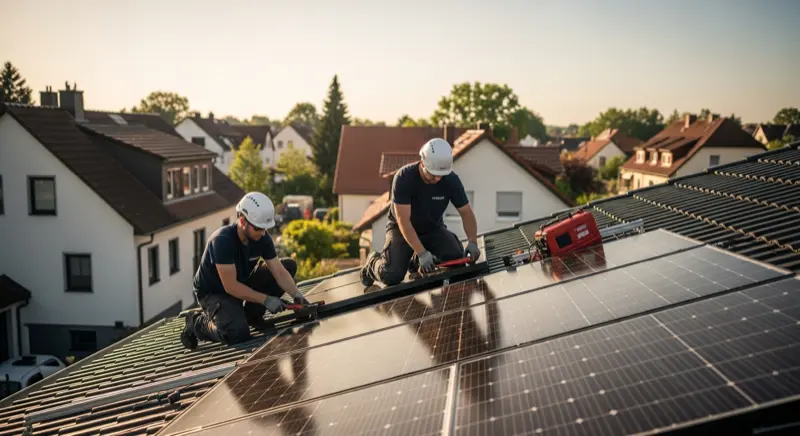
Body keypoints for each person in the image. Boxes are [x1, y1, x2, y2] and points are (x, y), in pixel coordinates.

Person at [180, 192, 310, 350]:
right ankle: (196, 322)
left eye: (265, 228)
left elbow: (279, 272)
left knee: (288, 265)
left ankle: (252, 316)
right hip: (214, 293)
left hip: (240, 282)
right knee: (236, 333)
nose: (263, 233)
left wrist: (297, 295)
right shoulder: (222, 241)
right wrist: (266, 300)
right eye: (258, 228)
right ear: (242, 221)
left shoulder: (262, 238)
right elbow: (230, 287)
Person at [360, 138, 481, 287]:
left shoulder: (451, 180)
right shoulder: (404, 178)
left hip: (432, 228)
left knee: (456, 259)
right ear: (423, 163)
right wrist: (422, 252)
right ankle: (372, 263)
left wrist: (473, 242)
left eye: (441, 175)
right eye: (433, 174)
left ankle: (415, 261)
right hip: (401, 230)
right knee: (392, 275)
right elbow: (403, 221)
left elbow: (466, 213)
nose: (437, 179)